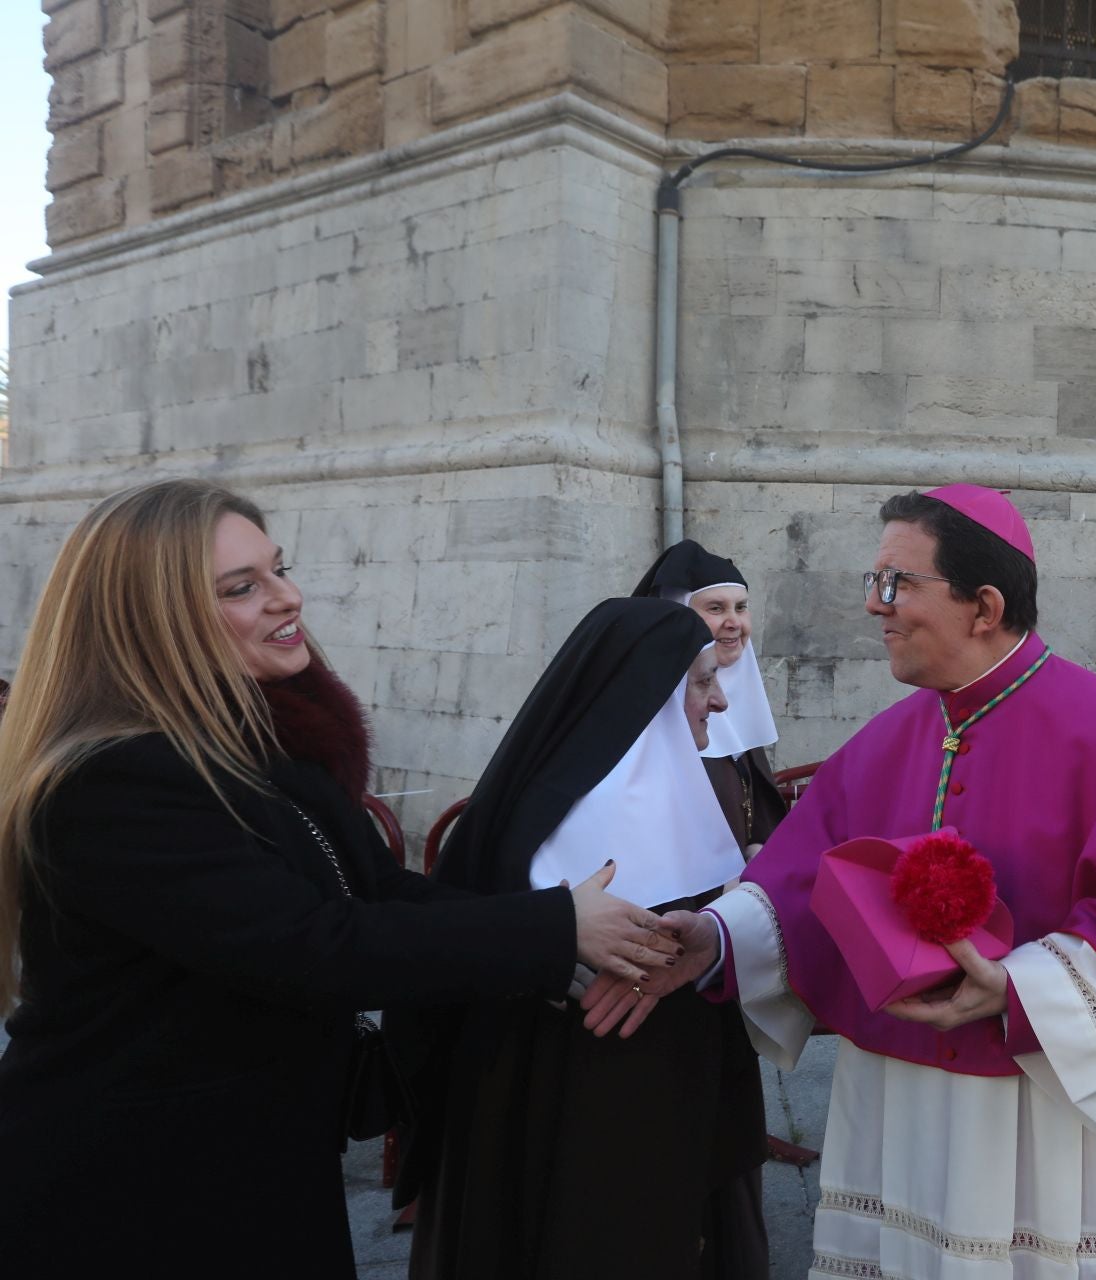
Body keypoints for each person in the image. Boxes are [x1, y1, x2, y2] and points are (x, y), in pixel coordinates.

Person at [0, 479, 679, 1278]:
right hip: (129, 1183)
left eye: (279, 569)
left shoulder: (253, 743)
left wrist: (560, 931)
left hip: (247, 1155)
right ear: (154, 622)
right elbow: (310, 944)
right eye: (241, 588)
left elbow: (376, 890)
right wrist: (555, 929)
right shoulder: (112, 778)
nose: (288, 598)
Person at [586, 484, 1096, 1278]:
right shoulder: (889, 737)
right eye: (875, 583)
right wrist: (716, 938)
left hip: (1047, 1109)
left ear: (984, 606)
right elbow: (800, 879)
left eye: (897, 584)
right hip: (906, 1099)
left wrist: (1016, 989)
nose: (877, 607)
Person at [402, 597, 768, 1280]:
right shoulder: (522, 832)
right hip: (550, 1124)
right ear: (644, 695)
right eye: (700, 682)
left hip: (684, 1120)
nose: (718, 703)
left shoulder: (698, 796)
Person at [635, 540, 788, 856]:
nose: (734, 622)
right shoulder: (648, 726)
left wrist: (756, 848)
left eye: (741, 607)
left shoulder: (739, 711)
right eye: (716, 608)